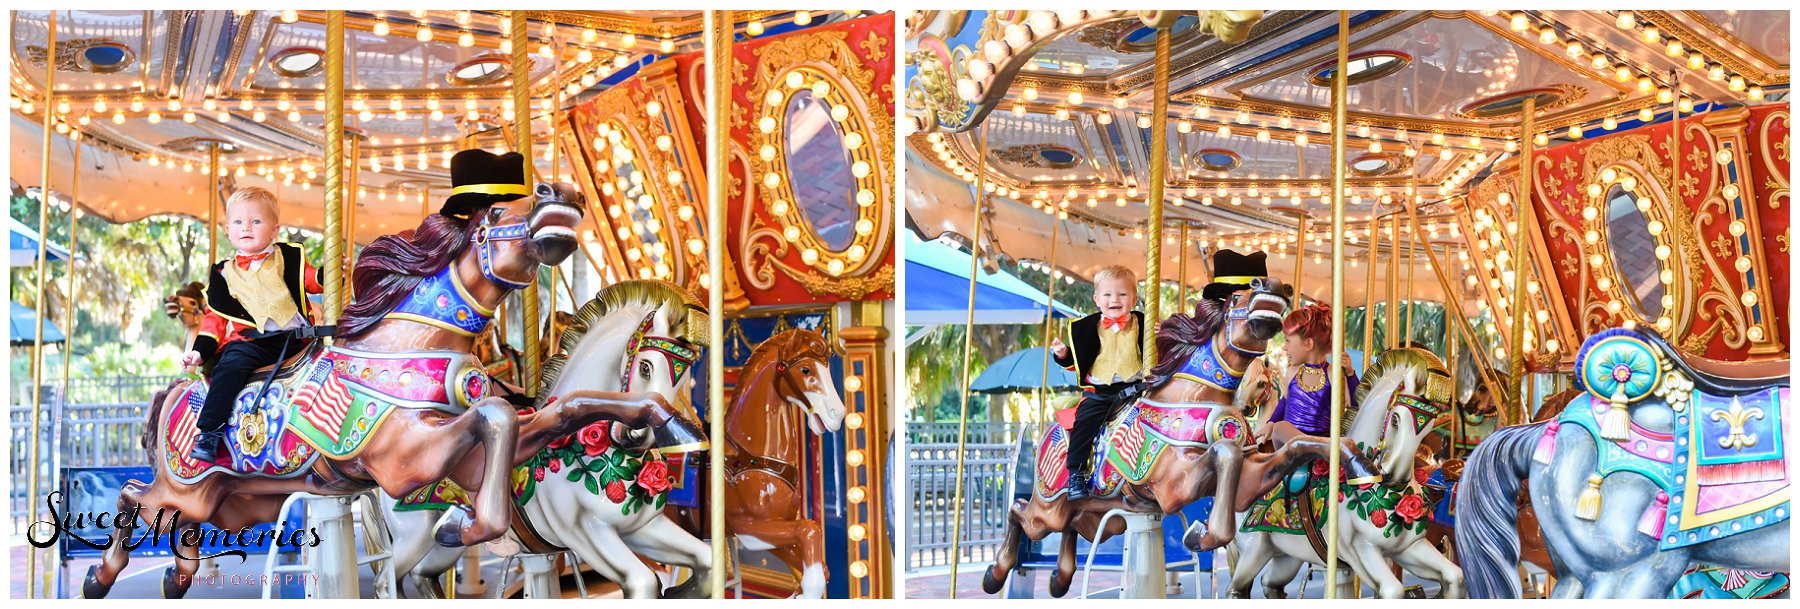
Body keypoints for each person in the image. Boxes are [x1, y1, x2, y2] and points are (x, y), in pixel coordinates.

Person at [181, 187, 324, 462]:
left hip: (295, 339)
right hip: (251, 344)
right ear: (228, 230)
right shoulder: (223, 273)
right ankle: (209, 431)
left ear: (274, 230)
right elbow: (214, 319)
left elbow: (312, 280)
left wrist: (329, 272)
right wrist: (199, 351)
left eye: (256, 221)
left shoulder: (289, 258)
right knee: (230, 368)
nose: (246, 228)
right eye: (238, 222)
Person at [1050, 264, 1145, 500]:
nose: (1115, 299)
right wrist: (1062, 355)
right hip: (1100, 393)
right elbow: (1078, 362)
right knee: (1085, 423)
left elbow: (1162, 349)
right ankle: (1076, 474)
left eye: (1122, 294)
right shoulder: (1086, 328)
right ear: (1097, 299)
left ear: (1133, 298)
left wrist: (1163, 332)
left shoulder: (1143, 323)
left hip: (1137, 390)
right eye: (1108, 294)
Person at [1254, 303, 1358, 449]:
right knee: (1279, 428)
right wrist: (1270, 423)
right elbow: (1285, 401)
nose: (1284, 347)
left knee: (1280, 428)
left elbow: (1356, 405)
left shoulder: (1333, 374)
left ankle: (1320, 448)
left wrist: (1350, 374)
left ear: (1308, 343)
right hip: (1291, 448)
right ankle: (1319, 448)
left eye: (1288, 341)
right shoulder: (1292, 371)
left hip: (1321, 444)